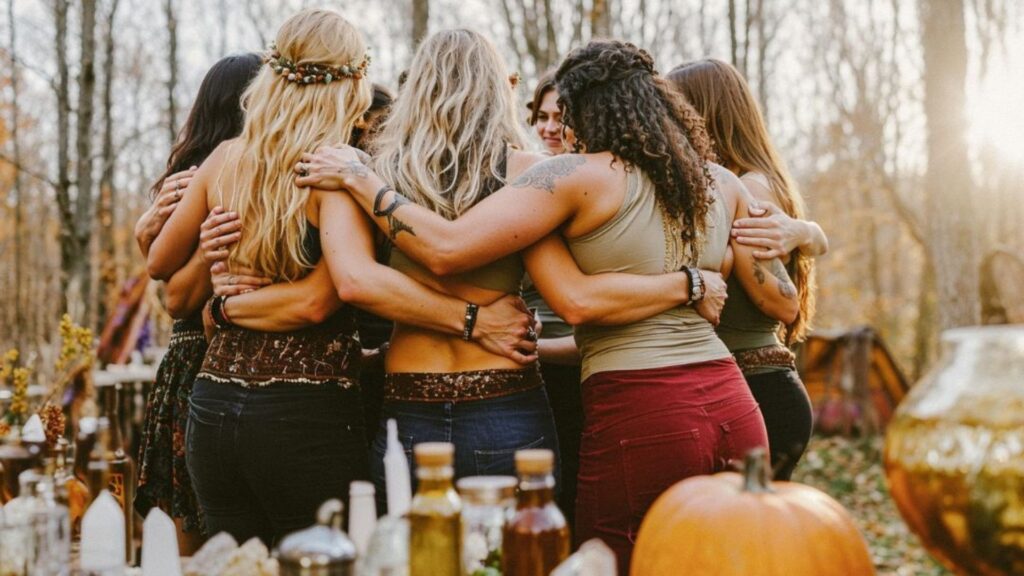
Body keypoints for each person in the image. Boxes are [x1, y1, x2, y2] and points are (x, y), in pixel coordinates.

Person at [296, 40, 772, 571]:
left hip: (446, 399)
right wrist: (712, 274)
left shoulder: (377, 171)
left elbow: (420, 263)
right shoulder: (707, 181)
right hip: (701, 400)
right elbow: (769, 286)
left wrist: (364, 180)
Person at [147, 11, 537, 544]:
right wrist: (472, 318)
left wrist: (215, 300)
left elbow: (159, 266)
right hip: (302, 416)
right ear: (353, 84)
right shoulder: (334, 172)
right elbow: (322, 300)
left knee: (232, 558)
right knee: (323, 555)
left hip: (212, 407)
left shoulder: (225, 158)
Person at [668, 58, 827, 480]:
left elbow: (779, 301)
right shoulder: (740, 181)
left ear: (704, 115)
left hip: (759, 388)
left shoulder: (750, 188)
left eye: (674, 109)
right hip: (748, 384)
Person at [133, 52, 262, 554]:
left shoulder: (209, 170)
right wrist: (206, 254)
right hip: (201, 359)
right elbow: (176, 298)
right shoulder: (195, 179)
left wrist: (147, 240)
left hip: (217, 353)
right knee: (201, 528)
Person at [522, 70, 584, 531]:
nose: (548, 127)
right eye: (540, 116)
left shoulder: (591, 190)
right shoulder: (524, 187)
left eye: (559, 117)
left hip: (577, 371)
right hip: (525, 372)